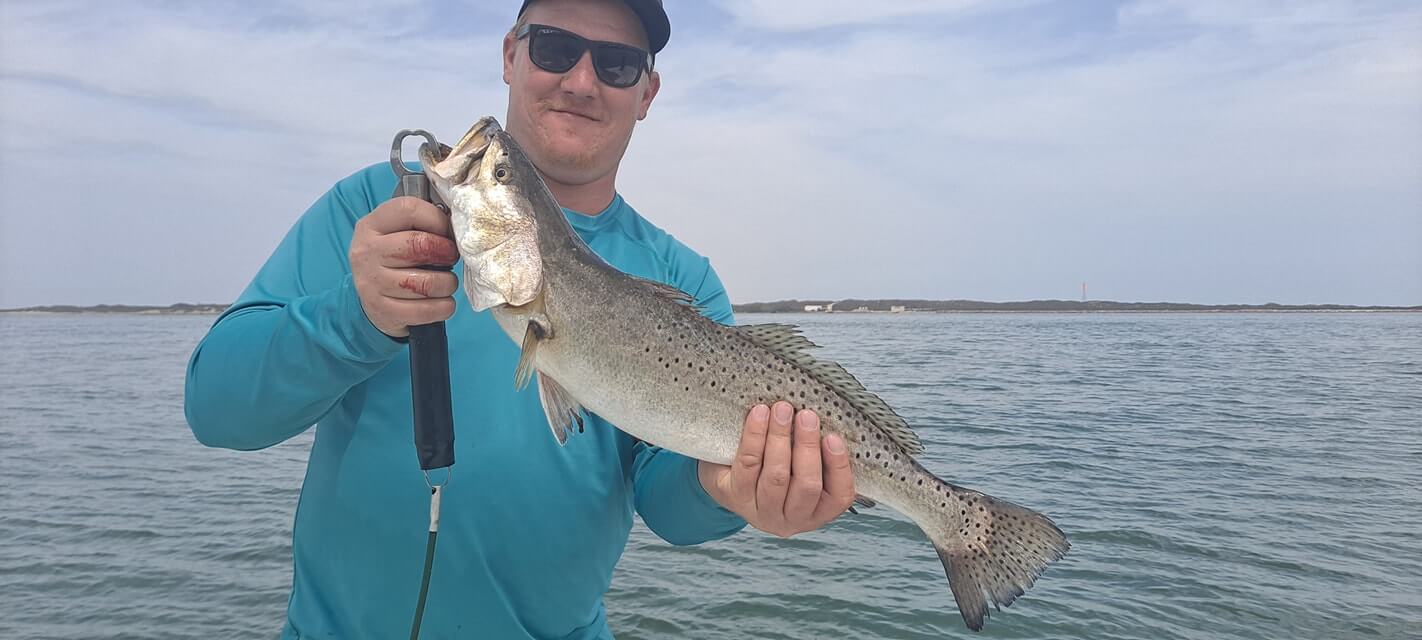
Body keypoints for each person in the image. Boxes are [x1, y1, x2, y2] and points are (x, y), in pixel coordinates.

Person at [184, 0, 856, 637]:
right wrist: (353, 315)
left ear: (646, 93)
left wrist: (733, 489)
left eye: (616, 63)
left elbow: (670, 507)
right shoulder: (378, 210)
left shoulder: (681, 279)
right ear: (511, 55)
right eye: (556, 48)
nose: (582, 80)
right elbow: (216, 409)